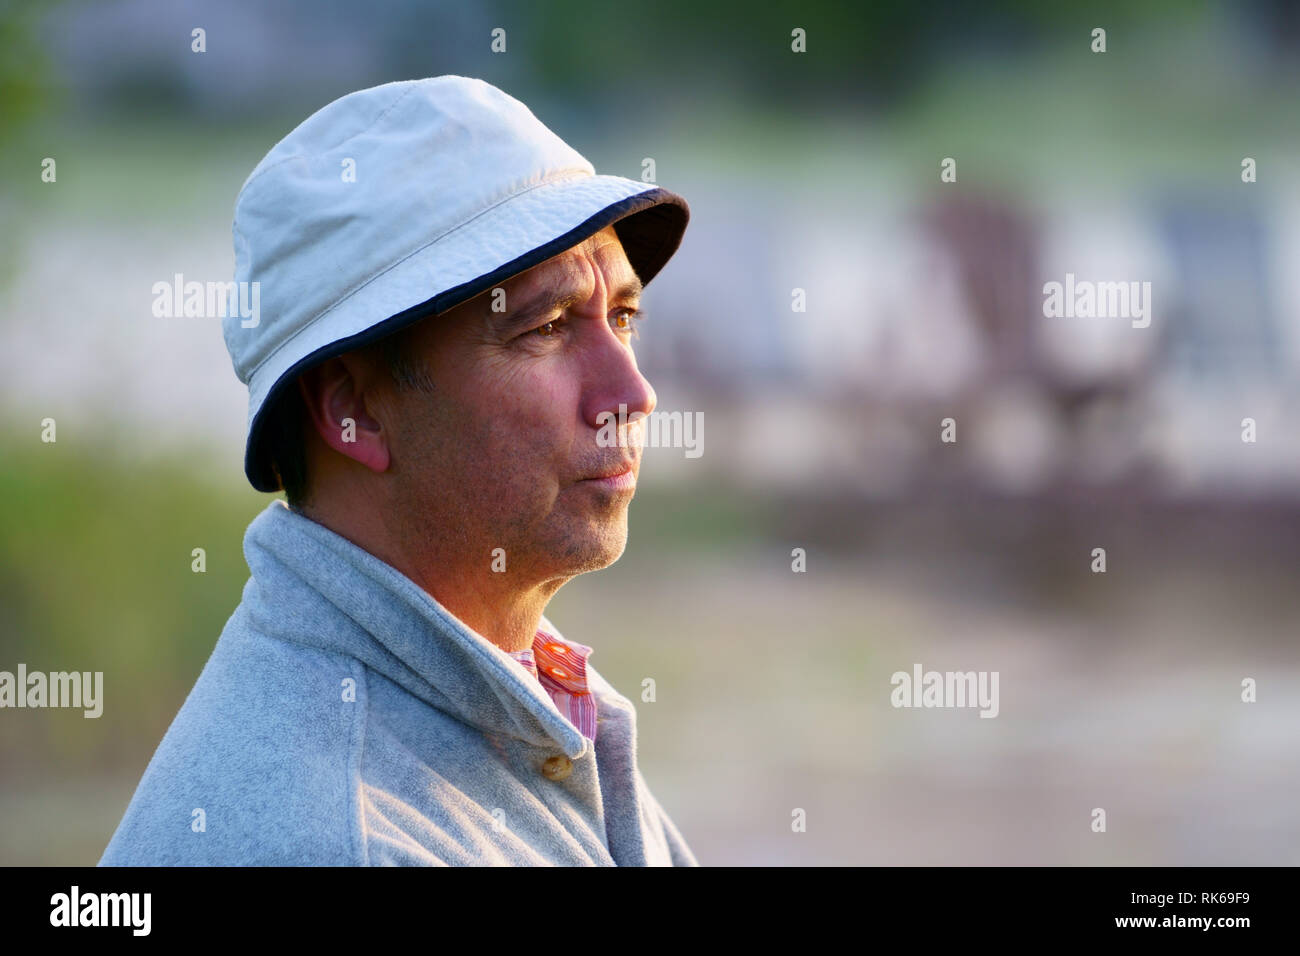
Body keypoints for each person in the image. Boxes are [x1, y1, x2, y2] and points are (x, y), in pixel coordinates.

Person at [98, 75, 697, 866]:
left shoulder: (514, 702)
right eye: (546, 327)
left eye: (621, 316)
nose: (634, 394)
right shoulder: (345, 840)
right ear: (355, 410)